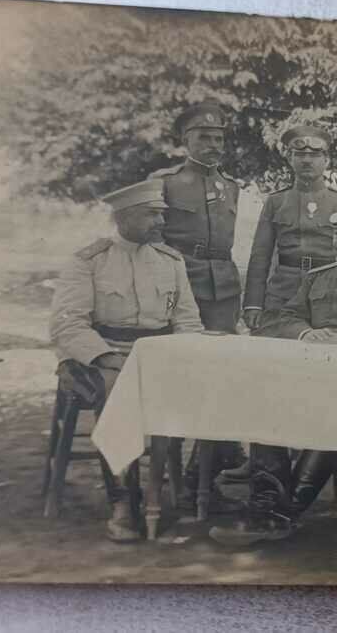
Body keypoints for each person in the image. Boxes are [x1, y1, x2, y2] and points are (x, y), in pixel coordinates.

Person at [210, 199, 337, 546]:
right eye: (336, 236)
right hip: (309, 373)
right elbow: (286, 317)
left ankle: (279, 514)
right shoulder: (315, 278)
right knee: (265, 405)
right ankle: (268, 504)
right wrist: (306, 332)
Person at [50, 179, 204, 542]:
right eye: (152, 215)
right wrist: (105, 356)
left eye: (161, 214)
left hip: (158, 355)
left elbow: (186, 320)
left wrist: (186, 354)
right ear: (124, 216)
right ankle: (123, 498)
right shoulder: (89, 261)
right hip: (99, 356)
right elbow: (67, 323)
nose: (161, 223)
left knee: (206, 381)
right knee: (116, 388)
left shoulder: (170, 261)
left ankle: (187, 489)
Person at [147, 102, 247, 501]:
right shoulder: (166, 181)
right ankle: (184, 466)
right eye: (204, 137)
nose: (213, 144)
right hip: (178, 285)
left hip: (223, 288)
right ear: (184, 139)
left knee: (221, 372)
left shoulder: (232, 186)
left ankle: (203, 466)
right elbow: (153, 238)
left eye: (219, 137)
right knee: (181, 373)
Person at [242, 125, 337, 332]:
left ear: (326, 160)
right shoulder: (276, 201)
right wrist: (253, 303)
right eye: (300, 154)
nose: (306, 160)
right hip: (283, 293)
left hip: (327, 293)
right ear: (290, 159)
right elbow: (260, 256)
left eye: (314, 155)